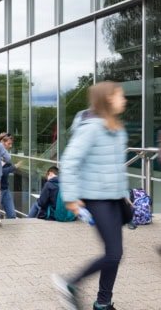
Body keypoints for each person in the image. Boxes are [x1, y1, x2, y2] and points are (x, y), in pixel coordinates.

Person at [52, 81, 129, 310]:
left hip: (114, 197)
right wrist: (72, 199)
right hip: (97, 197)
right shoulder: (92, 128)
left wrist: (125, 194)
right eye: (120, 95)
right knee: (114, 253)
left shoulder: (116, 127)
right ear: (107, 99)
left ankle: (103, 303)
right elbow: (70, 161)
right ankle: (69, 282)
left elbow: (116, 166)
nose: (124, 99)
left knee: (114, 253)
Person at [0, 132, 19, 219]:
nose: (10, 146)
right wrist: (14, 167)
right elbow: (0, 172)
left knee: (12, 215)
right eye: (9, 143)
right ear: (2, 142)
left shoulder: (5, 155)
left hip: (5, 188)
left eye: (11, 144)